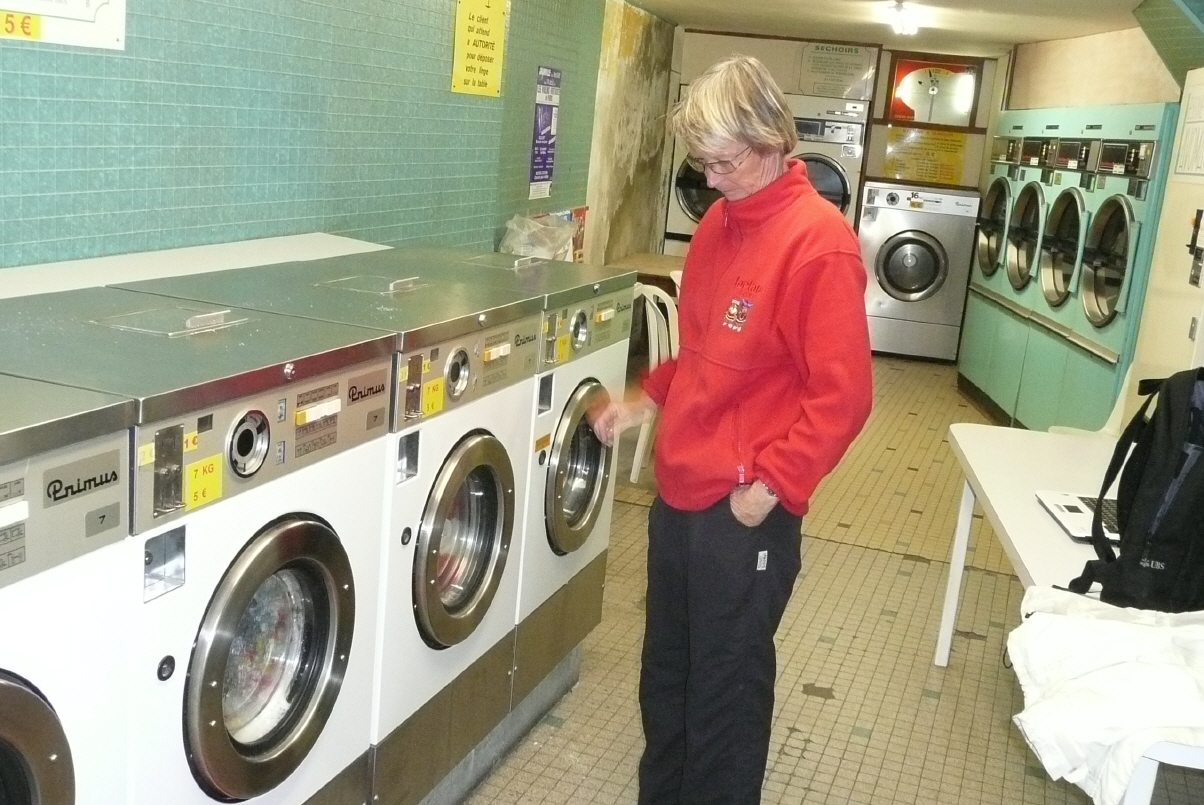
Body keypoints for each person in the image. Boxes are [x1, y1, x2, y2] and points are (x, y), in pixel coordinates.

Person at [592, 54, 873, 805]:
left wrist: (772, 487)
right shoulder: (719, 224)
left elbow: (844, 397)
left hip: (745, 507)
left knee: (725, 695)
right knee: (668, 676)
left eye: (723, 163)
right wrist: (646, 398)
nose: (711, 181)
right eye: (703, 164)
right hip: (679, 493)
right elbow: (704, 349)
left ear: (771, 139)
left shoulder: (819, 244)